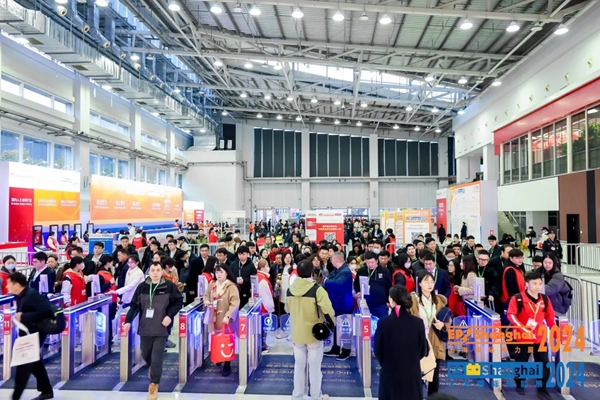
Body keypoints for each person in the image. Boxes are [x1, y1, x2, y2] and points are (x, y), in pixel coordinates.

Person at [123, 262, 183, 400]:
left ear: (162, 272)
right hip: (145, 328)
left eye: (158, 270)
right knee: (146, 355)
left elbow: (178, 302)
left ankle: (154, 384)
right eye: (153, 270)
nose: (155, 273)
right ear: (148, 272)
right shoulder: (142, 287)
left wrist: (169, 316)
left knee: (157, 358)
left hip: (161, 328)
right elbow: (134, 306)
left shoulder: (169, 286)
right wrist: (127, 321)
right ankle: (152, 368)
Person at [285, 260, 335, 400]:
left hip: (297, 332)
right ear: (312, 272)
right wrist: (332, 325)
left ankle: (297, 395)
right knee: (314, 367)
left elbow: (287, 309)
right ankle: (316, 395)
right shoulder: (317, 290)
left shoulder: (290, 290)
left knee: (298, 366)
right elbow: (328, 310)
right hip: (314, 333)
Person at [506, 270, 555, 398]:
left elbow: (550, 317)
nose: (537, 287)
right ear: (527, 284)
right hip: (523, 337)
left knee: (544, 363)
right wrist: (522, 328)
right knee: (521, 361)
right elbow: (511, 315)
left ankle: (542, 388)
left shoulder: (545, 299)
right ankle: (520, 383)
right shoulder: (518, 298)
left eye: (539, 284)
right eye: (534, 283)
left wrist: (555, 332)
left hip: (539, 337)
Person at [375, 285, 428, 400]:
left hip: (390, 374)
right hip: (412, 374)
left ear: (391, 300)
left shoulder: (383, 323)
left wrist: (388, 364)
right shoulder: (418, 323)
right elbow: (423, 350)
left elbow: (378, 350)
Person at [8, 273, 54, 400]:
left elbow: (44, 311)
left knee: (23, 365)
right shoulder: (20, 296)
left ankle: (16, 396)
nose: (7, 286)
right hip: (27, 333)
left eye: (9, 284)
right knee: (35, 363)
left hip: (35, 334)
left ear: (17, 284)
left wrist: (23, 316)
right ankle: (46, 390)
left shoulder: (31, 294)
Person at [409, 270, 450, 396]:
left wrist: (443, 325)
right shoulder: (413, 300)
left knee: (434, 375)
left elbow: (447, 320)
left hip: (435, 339)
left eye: (432, 282)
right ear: (419, 283)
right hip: (418, 341)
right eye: (426, 282)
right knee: (417, 374)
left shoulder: (439, 301)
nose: (430, 285)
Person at [204, 263, 240, 376]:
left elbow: (235, 303)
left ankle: (227, 364)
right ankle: (218, 357)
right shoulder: (212, 284)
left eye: (221, 272)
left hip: (226, 318)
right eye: (217, 272)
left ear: (226, 273)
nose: (218, 275)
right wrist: (206, 301)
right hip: (214, 317)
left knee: (227, 341)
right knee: (216, 339)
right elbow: (206, 295)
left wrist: (228, 316)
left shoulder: (231, 286)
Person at [323, 252, 354, 360]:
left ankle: (346, 351)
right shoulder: (338, 270)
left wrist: (326, 282)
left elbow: (338, 284)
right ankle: (335, 348)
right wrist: (327, 280)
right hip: (337, 304)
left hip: (344, 305)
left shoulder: (345, 271)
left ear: (335, 260)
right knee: (337, 327)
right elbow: (329, 277)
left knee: (345, 329)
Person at [354, 252, 392, 318]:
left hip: (380, 304)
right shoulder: (361, 271)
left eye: (372, 262)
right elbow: (356, 283)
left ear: (377, 261)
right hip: (365, 303)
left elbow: (389, 286)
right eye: (368, 262)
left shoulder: (384, 271)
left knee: (382, 321)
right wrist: (358, 291)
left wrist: (388, 301)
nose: (370, 264)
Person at [256, 259, 275, 353]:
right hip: (264, 307)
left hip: (259, 306)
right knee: (263, 328)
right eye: (267, 266)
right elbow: (266, 296)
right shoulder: (263, 280)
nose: (268, 268)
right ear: (262, 267)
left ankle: (261, 345)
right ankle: (263, 346)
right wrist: (271, 308)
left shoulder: (258, 276)